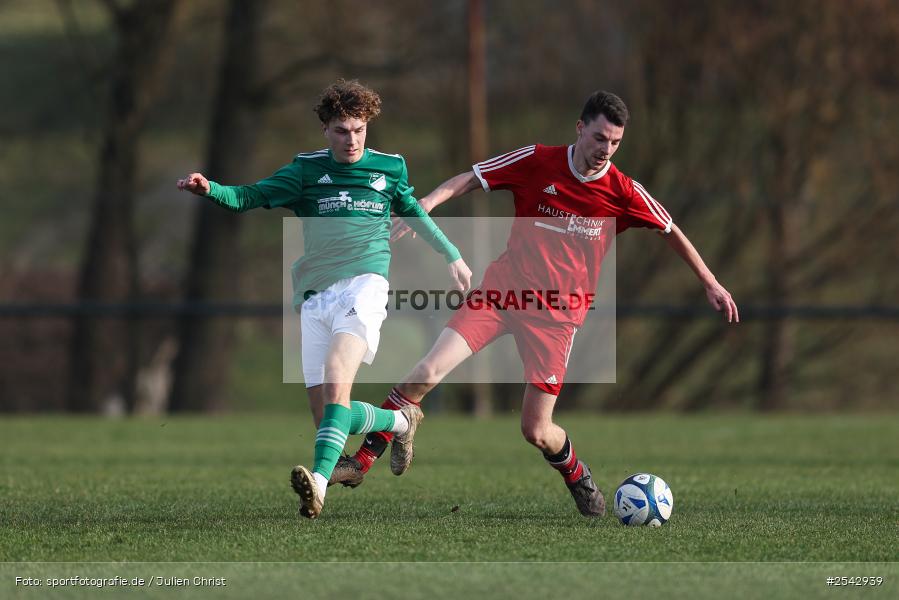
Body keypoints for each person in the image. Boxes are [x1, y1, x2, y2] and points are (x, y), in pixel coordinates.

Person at [331, 90, 739, 517]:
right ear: (580, 128)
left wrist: (710, 282)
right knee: (425, 373)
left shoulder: (622, 191)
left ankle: (577, 475)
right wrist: (427, 205)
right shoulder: (538, 161)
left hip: (556, 321)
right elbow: (472, 177)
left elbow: (670, 228)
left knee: (537, 430)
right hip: (502, 294)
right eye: (600, 138)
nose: (606, 150)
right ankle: (359, 463)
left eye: (615, 142)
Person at [176, 79, 472, 519]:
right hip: (314, 299)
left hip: (365, 286)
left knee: (338, 377)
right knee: (328, 418)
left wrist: (451, 254)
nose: (351, 139)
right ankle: (400, 421)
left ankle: (317, 486)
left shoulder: (389, 168)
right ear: (325, 130)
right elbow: (249, 197)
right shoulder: (304, 172)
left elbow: (413, 210)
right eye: (341, 130)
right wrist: (210, 189)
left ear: (368, 126)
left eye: (358, 129)